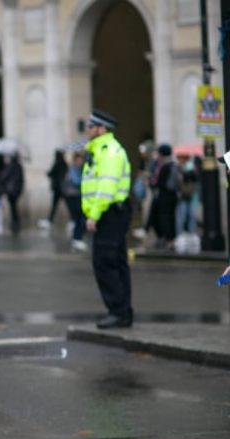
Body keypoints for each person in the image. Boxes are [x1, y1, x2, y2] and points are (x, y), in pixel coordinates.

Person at [82, 110, 133, 329]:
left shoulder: (108, 151)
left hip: (109, 213)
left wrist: (94, 215)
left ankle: (117, 312)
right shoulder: (99, 151)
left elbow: (107, 187)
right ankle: (123, 312)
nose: (88, 130)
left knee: (105, 264)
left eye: (91, 127)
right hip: (111, 212)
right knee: (117, 262)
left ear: (101, 129)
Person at [148, 144, 178, 249]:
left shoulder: (165, 166)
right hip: (172, 196)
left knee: (164, 218)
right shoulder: (173, 165)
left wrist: (151, 182)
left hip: (165, 196)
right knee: (168, 217)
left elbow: (159, 182)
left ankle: (168, 240)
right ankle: (169, 240)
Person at [64, 152, 88, 251]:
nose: (80, 162)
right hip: (72, 196)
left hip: (77, 195)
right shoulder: (72, 169)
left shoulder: (80, 169)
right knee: (78, 217)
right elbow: (76, 181)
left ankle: (77, 237)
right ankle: (76, 238)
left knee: (79, 218)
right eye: (79, 160)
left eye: (81, 160)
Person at [39, 150, 68, 230]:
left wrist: (48, 173)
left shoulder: (57, 163)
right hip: (62, 188)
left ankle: (50, 220)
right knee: (65, 205)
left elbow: (51, 173)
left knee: (55, 206)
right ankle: (72, 220)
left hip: (58, 188)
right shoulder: (64, 164)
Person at [0, 153, 25, 236]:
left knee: (13, 207)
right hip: (16, 190)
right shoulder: (19, 166)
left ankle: (15, 222)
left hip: (11, 190)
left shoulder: (11, 166)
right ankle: (16, 221)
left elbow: (3, 176)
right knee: (14, 207)